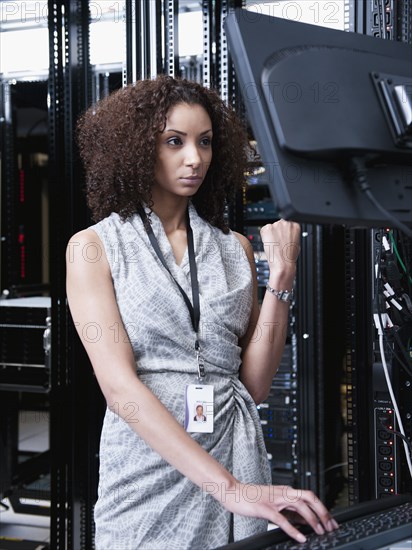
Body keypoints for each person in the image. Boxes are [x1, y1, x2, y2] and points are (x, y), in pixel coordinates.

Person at [66, 75, 339, 549]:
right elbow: (118, 388)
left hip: (234, 450)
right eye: (175, 142)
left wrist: (281, 279)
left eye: (205, 142)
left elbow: (253, 384)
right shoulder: (94, 248)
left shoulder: (233, 247)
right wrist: (229, 490)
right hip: (146, 467)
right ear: (136, 147)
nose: (195, 158)